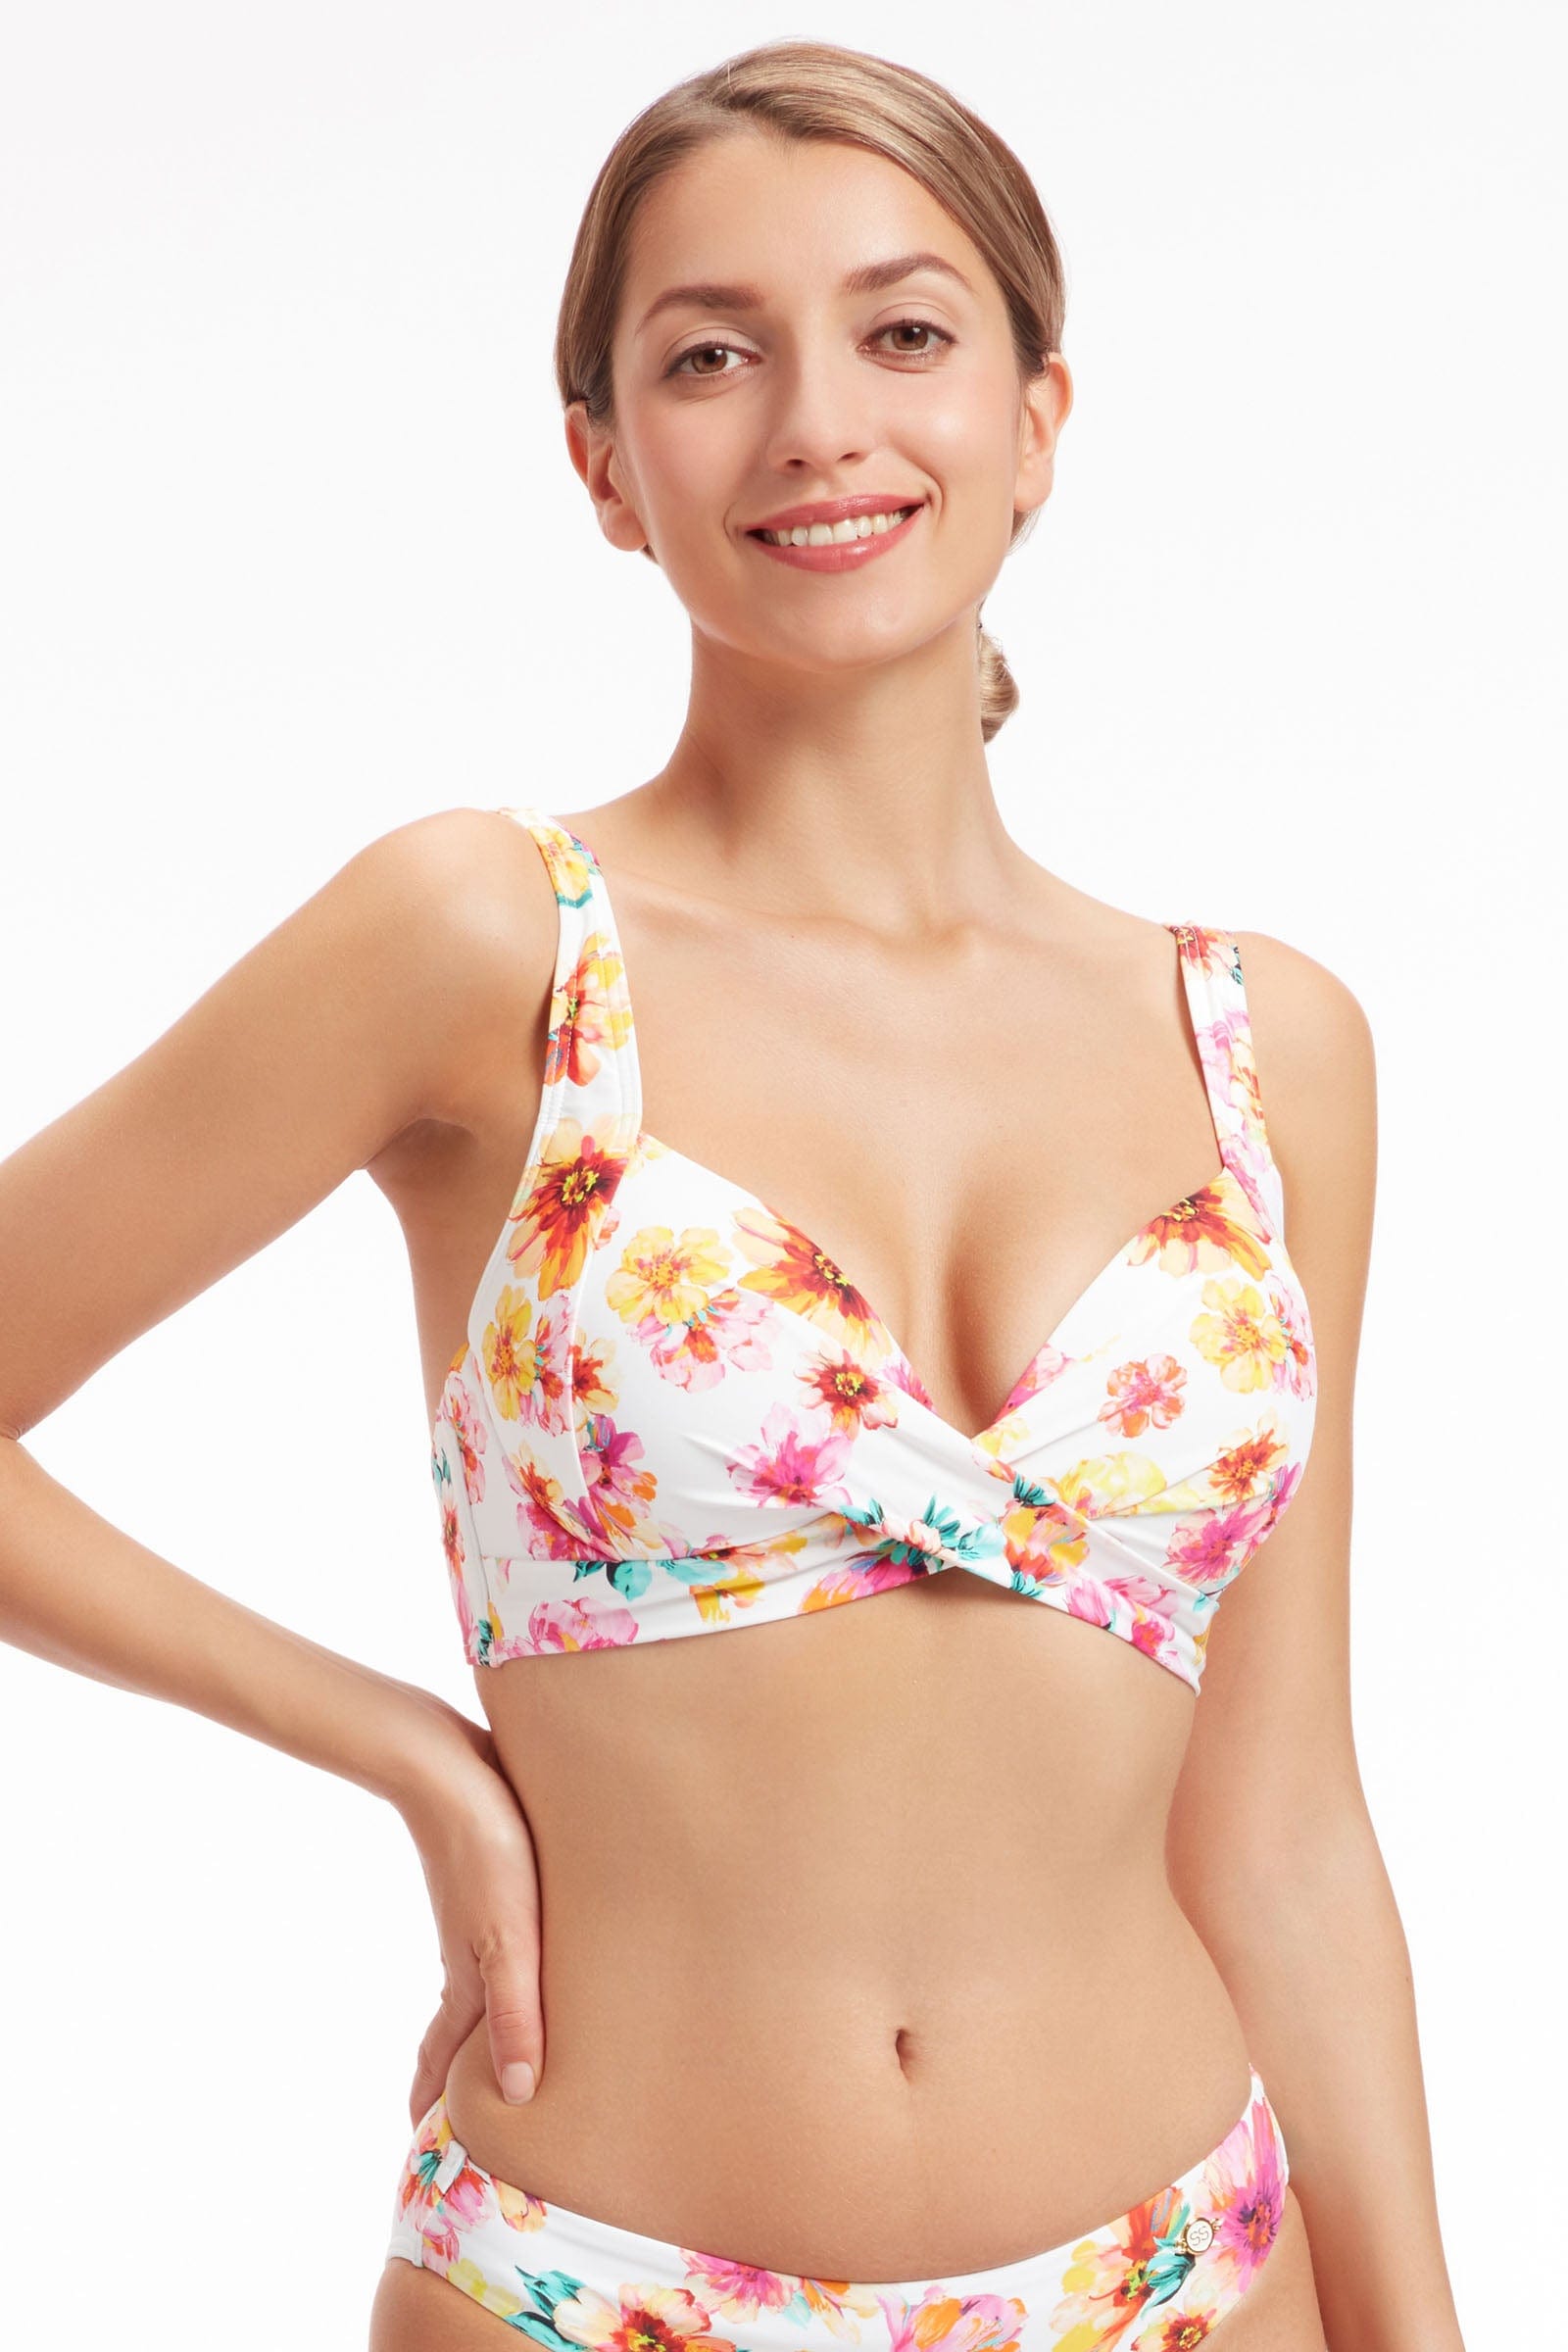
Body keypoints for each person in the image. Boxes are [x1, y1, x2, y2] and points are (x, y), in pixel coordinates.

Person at [0, 38, 1465, 2352]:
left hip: (1187, 2273)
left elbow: (1280, 1829)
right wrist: (405, 1751)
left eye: (902, 332)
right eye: (709, 356)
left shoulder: (1266, 1048)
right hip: (597, 2285)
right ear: (602, 463)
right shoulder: (485, 944)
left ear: (1035, 418)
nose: (815, 423)